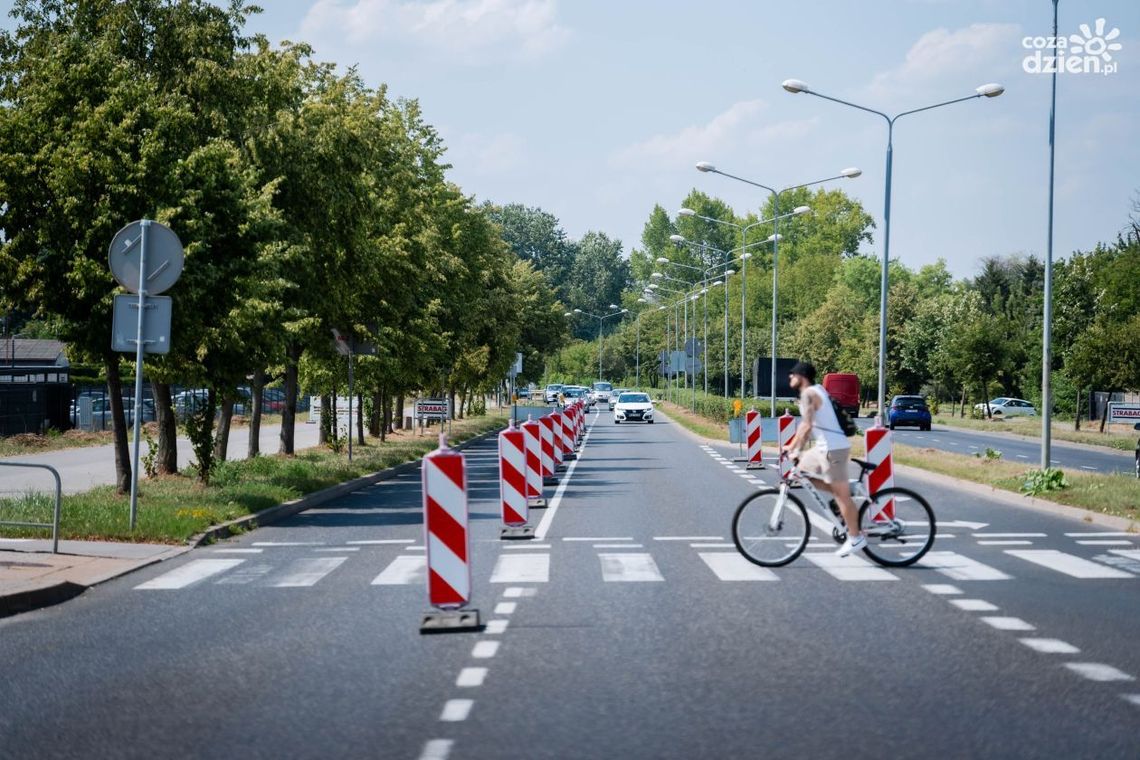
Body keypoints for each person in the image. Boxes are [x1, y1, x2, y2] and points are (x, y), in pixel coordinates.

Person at [781, 361, 865, 557]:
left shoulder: (809, 394)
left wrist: (793, 448)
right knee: (799, 473)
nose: (789, 378)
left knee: (840, 496)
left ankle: (855, 537)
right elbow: (807, 425)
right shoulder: (818, 389)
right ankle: (847, 489)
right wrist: (794, 449)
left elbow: (807, 426)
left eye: (792, 375)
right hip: (822, 448)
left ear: (802, 376)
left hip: (833, 448)